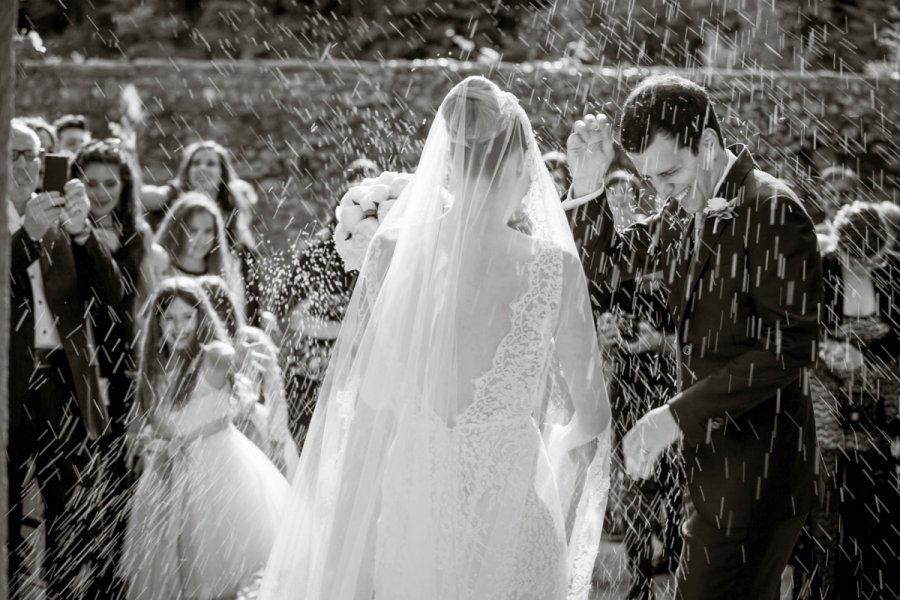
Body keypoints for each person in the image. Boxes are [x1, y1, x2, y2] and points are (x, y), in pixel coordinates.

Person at [257, 76, 611, 600]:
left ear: (448, 164)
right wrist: (552, 447)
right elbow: (595, 415)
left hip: (413, 507)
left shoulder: (389, 250)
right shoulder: (553, 267)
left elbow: (368, 407)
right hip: (510, 507)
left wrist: (342, 554)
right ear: (520, 168)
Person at [567, 74, 823, 599]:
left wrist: (672, 417)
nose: (660, 194)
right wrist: (588, 187)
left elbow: (789, 347)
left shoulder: (770, 208)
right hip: (710, 474)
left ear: (707, 143)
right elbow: (609, 273)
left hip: (757, 475)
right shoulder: (682, 211)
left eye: (670, 174)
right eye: (650, 180)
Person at [7, 120, 124, 598]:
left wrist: (81, 234)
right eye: (13, 153)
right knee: (7, 514)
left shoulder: (58, 220)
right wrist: (24, 239)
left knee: (68, 509)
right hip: (6, 385)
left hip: (61, 382)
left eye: (33, 156)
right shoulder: (27, 224)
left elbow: (113, 296)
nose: (24, 166)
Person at [120, 277, 290, 599]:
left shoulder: (213, 356)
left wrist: (250, 352)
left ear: (200, 318)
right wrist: (153, 444)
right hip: (170, 474)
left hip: (218, 470)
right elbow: (154, 423)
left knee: (222, 564)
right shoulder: (156, 369)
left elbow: (235, 357)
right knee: (175, 569)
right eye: (168, 317)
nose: (178, 326)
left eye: (187, 316)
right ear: (157, 321)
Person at [576, 167, 684, 600]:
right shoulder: (606, 262)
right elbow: (591, 320)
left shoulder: (663, 247)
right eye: (612, 199)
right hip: (628, 385)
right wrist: (604, 332)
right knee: (636, 484)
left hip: (671, 384)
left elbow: (695, 330)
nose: (618, 205)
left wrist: (659, 339)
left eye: (625, 197)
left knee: (674, 483)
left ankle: (677, 564)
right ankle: (639, 578)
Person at [795, 201, 899, 598]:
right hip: (826, 390)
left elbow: (898, 338)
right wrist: (828, 348)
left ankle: (877, 582)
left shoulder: (893, 274)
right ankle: (828, 584)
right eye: (856, 260)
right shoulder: (823, 271)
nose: (863, 268)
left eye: (871, 261)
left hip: (884, 390)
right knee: (829, 492)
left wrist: (866, 358)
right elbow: (801, 329)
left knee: (879, 492)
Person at [70, 138, 154, 595]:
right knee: (74, 475)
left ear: (124, 188)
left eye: (110, 184)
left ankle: (109, 578)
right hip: (68, 366)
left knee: (116, 475)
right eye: (90, 182)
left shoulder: (137, 237)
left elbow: (122, 302)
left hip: (116, 367)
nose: (100, 192)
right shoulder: (61, 229)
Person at [275, 159, 377, 449]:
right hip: (312, 379)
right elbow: (294, 319)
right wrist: (347, 330)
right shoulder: (318, 255)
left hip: (365, 378)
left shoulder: (387, 254)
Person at [141, 140, 264, 324]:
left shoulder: (232, 215)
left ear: (223, 172)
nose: (202, 168)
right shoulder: (170, 204)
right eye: (196, 163)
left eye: (211, 163)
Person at [199, 275, 299, 477]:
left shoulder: (252, 340)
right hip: (208, 434)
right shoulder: (197, 352)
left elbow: (276, 393)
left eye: (219, 307)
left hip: (251, 432)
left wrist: (277, 443)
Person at [150, 192, 247, 305]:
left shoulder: (226, 274)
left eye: (208, 231)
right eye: (193, 231)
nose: (200, 239)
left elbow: (236, 318)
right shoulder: (160, 270)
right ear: (178, 231)